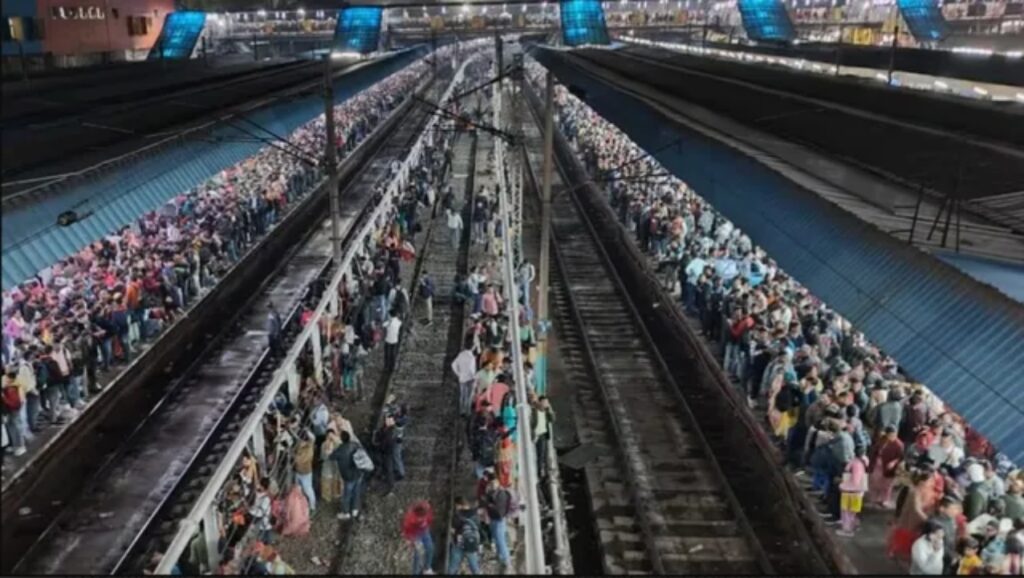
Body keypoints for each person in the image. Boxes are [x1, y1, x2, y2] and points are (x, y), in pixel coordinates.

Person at [837, 444, 869, 537]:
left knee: (846, 510)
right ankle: (853, 525)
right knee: (853, 510)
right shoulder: (865, 460)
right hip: (860, 490)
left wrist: (842, 484)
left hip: (850, 491)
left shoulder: (854, 463)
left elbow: (854, 479)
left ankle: (847, 530)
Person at [332, 430, 364, 520]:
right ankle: (355, 510)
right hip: (358, 473)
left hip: (348, 477)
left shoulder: (340, 449)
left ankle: (345, 512)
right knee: (356, 492)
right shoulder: (355, 444)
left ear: (341, 439)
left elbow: (331, 457)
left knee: (347, 495)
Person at [483, 476, 513, 574]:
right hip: (493, 519)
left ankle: (508, 563)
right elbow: (488, 502)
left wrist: (489, 505)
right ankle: (499, 557)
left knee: (501, 541)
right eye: (490, 484)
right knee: (496, 538)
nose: (491, 486)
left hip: (499, 520)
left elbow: (499, 512)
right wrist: (488, 496)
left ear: (497, 483)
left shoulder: (501, 495)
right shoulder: (493, 493)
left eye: (493, 484)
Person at [449, 497, 482, 575]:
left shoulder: (457, 515)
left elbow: (453, 529)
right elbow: (478, 527)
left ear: (459, 505)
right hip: (471, 544)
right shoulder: (475, 514)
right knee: (474, 567)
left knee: (453, 567)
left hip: (459, 544)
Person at [402, 500, 436, 575]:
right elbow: (407, 530)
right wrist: (409, 540)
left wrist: (426, 526)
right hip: (415, 534)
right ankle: (415, 573)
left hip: (425, 531)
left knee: (430, 548)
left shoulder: (427, 510)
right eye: (422, 516)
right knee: (417, 555)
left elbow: (430, 519)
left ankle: (427, 568)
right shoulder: (410, 517)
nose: (423, 517)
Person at [451, 339, 477, 418]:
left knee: (462, 395)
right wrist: (474, 377)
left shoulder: (461, 355)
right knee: (469, 396)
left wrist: (458, 373)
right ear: (472, 347)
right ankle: (467, 411)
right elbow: (471, 369)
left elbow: (453, 365)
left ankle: (461, 410)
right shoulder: (471, 357)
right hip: (470, 378)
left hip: (462, 378)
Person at [293, 430, 316, 514]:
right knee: (298, 488)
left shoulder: (308, 450)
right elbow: (312, 437)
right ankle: (301, 503)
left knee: (308, 490)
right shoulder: (309, 443)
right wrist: (306, 430)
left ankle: (312, 506)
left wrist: (291, 454)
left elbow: (298, 460)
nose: (299, 442)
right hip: (298, 471)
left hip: (305, 473)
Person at [249, 477, 274, 545]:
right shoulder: (261, 494)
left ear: (263, 486)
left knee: (264, 544)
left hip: (262, 525)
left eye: (259, 484)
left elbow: (261, 512)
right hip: (264, 525)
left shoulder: (265, 497)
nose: (258, 485)